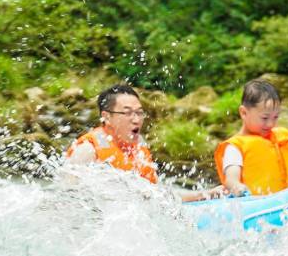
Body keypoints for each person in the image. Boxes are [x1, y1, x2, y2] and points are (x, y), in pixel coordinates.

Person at [66, 84, 223, 202]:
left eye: (139, 113)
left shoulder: (138, 150)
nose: (136, 120)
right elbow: (69, 201)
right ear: (106, 117)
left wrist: (202, 195)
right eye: (127, 113)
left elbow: (158, 196)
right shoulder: (87, 151)